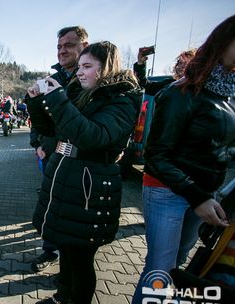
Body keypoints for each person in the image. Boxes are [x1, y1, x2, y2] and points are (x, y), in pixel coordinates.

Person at [27, 41, 141, 304]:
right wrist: (35, 103)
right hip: (68, 178)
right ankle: (61, 297)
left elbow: (91, 136)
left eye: (87, 66)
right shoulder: (80, 93)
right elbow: (53, 130)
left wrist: (57, 98)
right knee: (67, 249)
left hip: (90, 186)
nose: (79, 72)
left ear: (106, 68)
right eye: (79, 66)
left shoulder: (122, 100)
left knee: (80, 259)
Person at [132, 15, 235, 304]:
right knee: (161, 269)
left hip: (205, 193)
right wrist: (198, 197)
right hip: (167, 190)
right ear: (224, 41)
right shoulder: (180, 90)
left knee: (178, 262)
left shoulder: (231, 96)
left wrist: (208, 195)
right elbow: (156, 155)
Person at [29, 25, 90, 273]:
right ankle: (50, 250)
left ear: (84, 47)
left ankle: (72, 265)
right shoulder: (51, 78)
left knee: (75, 209)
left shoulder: (91, 77)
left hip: (82, 156)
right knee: (53, 201)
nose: (62, 51)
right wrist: (39, 145)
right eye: (59, 47)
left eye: (69, 45)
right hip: (53, 152)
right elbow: (41, 117)